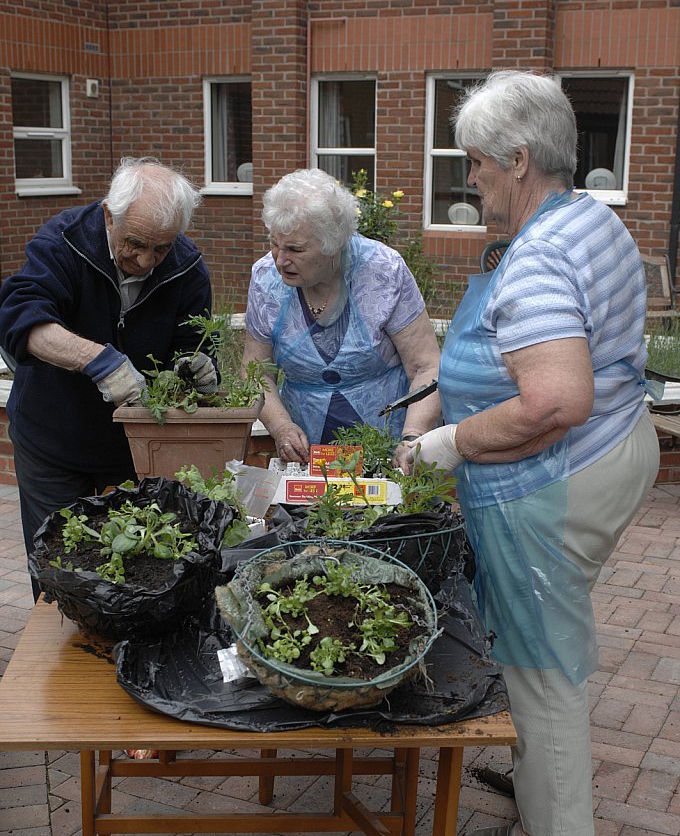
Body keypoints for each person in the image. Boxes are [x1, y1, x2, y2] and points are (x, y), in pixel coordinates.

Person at [408, 71, 660, 836]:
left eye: (476, 163)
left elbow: (552, 403)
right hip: (618, 449)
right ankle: (539, 777)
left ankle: (551, 835)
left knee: (535, 650)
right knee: (538, 631)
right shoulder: (591, 217)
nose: (470, 179)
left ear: (518, 159)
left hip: (552, 482)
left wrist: (450, 442)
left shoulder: (539, 257)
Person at [0, 156, 216, 596]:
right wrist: (98, 359)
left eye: (161, 248)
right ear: (108, 215)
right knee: (58, 565)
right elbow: (20, 318)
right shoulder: (64, 242)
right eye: (135, 243)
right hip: (53, 438)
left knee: (140, 564)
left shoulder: (186, 266)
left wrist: (195, 371)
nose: (147, 260)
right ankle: (58, 661)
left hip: (134, 447)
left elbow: (195, 347)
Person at [240, 168, 441, 469]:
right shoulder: (265, 279)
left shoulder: (384, 271)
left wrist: (413, 438)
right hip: (307, 456)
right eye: (274, 243)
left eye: (295, 249)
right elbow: (255, 374)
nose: (280, 260)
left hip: (390, 445)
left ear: (334, 245)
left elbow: (426, 367)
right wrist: (281, 427)